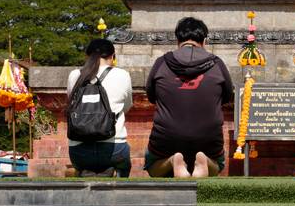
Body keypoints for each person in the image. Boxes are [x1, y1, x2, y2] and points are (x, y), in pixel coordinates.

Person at [144, 17, 233, 179]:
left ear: (178, 40)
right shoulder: (217, 64)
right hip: (208, 139)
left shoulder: (161, 63)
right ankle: (204, 161)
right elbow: (227, 97)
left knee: (152, 165)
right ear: (204, 41)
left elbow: (151, 96)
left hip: (166, 138)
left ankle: (172, 161)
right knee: (218, 162)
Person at [67, 39, 133, 177]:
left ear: (87, 56)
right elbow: (127, 107)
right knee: (123, 166)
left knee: (84, 164)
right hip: (114, 149)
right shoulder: (122, 75)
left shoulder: (75, 75)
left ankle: (85, 171)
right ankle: (115, 173)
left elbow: (71, 105)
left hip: (79, 150)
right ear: (112, 56)